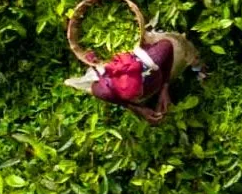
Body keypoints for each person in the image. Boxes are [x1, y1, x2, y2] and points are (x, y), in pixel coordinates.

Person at [67, 30, 205, 125]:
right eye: (133, 98)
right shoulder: (104, 90)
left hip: (155, 74)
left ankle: (197, 68)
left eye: (137, 94)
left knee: (181, 53)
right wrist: (137, 108)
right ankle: (148, 101)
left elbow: (168, 48)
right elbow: (120, 101)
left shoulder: (154, 57)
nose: (136, 98)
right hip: (141, 85)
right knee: (141, 101)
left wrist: (165, 88)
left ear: (141, 76)